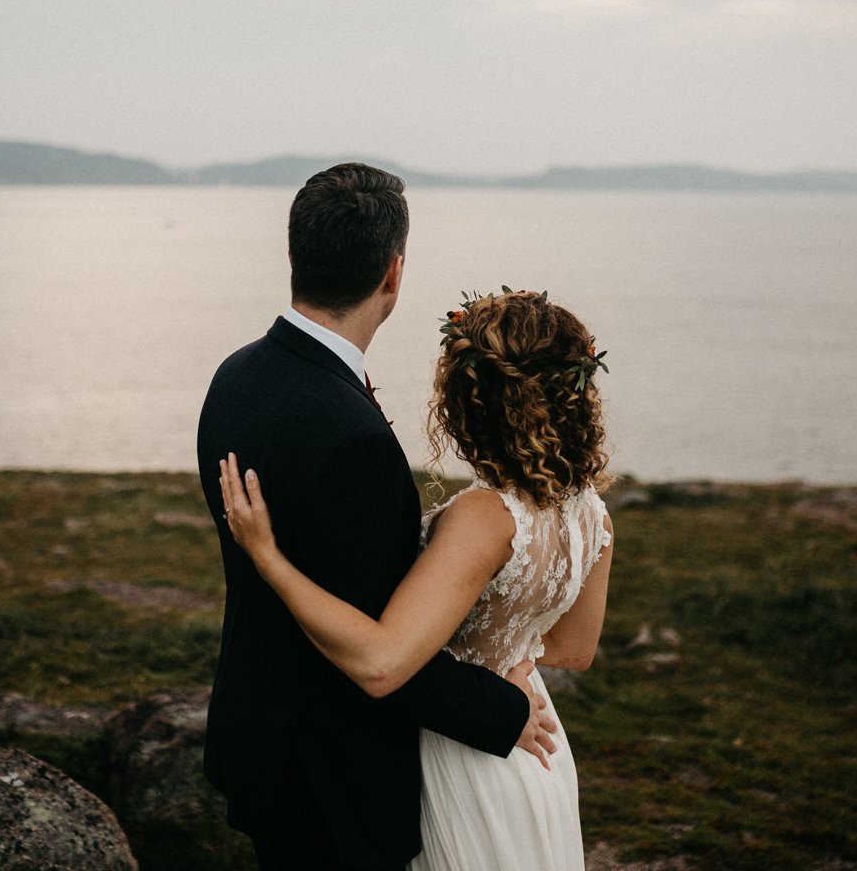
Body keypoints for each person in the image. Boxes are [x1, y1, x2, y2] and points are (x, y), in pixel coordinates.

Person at [195, 162, 558, 871]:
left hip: (259, 726)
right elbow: (378, 654)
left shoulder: (236, 375)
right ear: (393, 274)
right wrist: (501, 710)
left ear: (298, 256)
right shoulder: (354, 439)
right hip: (332, 773)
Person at [219, 286, 614, 871]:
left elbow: (382, 662)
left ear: (468, 403)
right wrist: (505, 658)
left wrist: (268, 557)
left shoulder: (485, 517)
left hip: (469, 761)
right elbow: (575, 651)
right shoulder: (592, 512)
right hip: (538, 761)